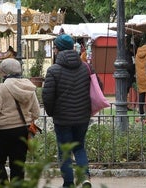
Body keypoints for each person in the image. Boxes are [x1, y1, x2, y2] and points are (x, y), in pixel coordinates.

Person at [42, 34, 92, 188]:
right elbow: (98, 88)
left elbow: (47, 96)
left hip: (62, 118)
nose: (54, 51)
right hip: (82, 116)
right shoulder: (86, 67)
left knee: (64, 151)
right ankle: (84, 178)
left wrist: (52, 113)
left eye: (55, 47)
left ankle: (69, 183)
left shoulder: (53, 70)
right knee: (79, 147)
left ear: (58, 49)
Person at [0, 58, 40, 185]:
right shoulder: (29, 87)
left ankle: (3, 185)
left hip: (2, 132)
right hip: (23, 130)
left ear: (4, 71)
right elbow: (36, 112)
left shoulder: (1, 88)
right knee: (18, 165)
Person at [126, 44, 136, 110]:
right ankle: (127, 105)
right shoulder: (129, 56)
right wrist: (134, 65)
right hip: (128, 76)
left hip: (128, 76)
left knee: (126, 91)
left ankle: (127, 105)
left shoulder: (126, 55)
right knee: (127, 91)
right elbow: (129, 66)